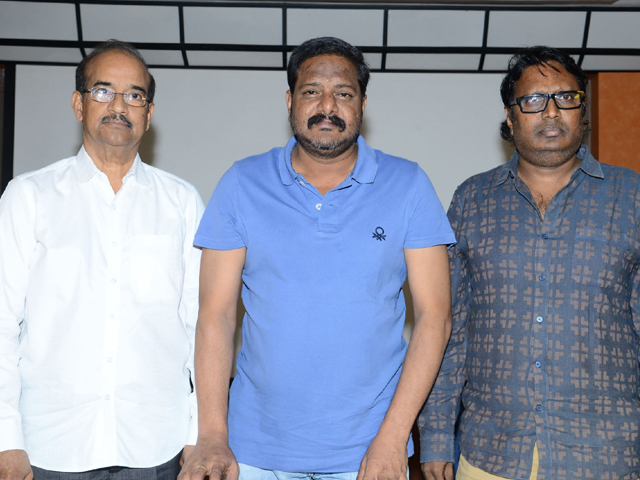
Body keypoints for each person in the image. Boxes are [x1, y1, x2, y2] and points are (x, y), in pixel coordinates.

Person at [180, 36, 455, 480]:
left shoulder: (408, 184)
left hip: (369, 453)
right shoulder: (242, 182)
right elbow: (216, 315)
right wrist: (212, 433)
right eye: (312, 91)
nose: (327, 106)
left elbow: (435, 317)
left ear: (363, 104)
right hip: (254, 450)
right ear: (290, 101)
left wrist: (392, 437)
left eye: (343, 93)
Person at [419, 45, 640, 480]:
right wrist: (437, 435)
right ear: (510, 116)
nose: (552, 112)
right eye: (534, 100)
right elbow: (449, 328)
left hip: (605, 454)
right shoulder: (472, 200)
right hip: (490, 453)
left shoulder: (630, 197)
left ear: (582, 110)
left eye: (566, 97)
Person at [0, 40, 203, 479]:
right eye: (103, 91)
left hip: (156, 446)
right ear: (79, 104)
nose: (119, 105)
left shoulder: (182, 202)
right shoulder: (29, 196)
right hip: (50, 448)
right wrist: (5, 439)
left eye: (134, 95)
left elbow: (199, 325)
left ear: (148, 114)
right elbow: (1, 323)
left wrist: (198, 431)